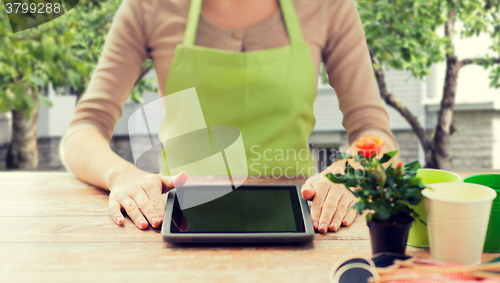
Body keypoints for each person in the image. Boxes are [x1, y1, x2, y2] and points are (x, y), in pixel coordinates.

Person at [61, 0, 398, 234]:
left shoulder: (328, 6)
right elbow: (84, 129)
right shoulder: (149, 7)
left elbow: (374, 130)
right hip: (177, 222)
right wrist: (123, 175)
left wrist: (348, 171)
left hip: (300, 221)